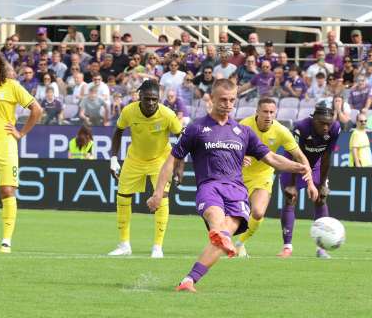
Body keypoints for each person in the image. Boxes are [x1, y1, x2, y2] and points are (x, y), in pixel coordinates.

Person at [146, 79, 311, 292]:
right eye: (223, 99)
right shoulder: (196, 128)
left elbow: (272, 158)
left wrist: (300, 167)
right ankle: (220, 234)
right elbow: (171, 160)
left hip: (237, 192)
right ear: (212, 99)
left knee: (222, 237)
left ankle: (188, 280)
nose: (228, 104)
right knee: (218, 224)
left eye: (232, 100)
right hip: (210, 186)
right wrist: (159, 193)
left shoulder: (243, 132)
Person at [234, 98, 318, 257]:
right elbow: (229, 147)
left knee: (258, 212)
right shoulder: (244, 126)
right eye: (265, 111)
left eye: (272, 112)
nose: (268, 115)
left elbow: (300, 157)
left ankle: (240, 243)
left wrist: (311, 183)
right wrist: (239, 156)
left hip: (262, 175)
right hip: (237, 174)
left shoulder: (281, 131)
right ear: (257, 112)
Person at [108, 80, 182, 259]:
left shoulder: (168, 115)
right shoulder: (129, 111)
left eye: (154, 99)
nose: (150, 103)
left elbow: (182, 138)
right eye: (147, 98)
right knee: (123, 196)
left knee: (161, 198)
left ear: (159, 99)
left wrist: (179, 167)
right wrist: (113, 158)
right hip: (134, 159)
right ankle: (124, 244)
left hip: (160, 161)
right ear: (139, 97)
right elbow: (118, 131)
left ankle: (158, 247)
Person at [0, 50, 43, 253]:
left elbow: (37, 109)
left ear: (0, 67)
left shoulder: (11, 86)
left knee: (7, 190)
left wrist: (21, 133)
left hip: (5, 146)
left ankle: (7, 241)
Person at [278, 104, 341, 259]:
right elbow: (294, 155)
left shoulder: (335, 128)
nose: (326, 127)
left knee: (321, 199)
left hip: (316, 166)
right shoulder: (301, 128)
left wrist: (322, 184)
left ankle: (322, 249)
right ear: (314, 119)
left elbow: (327, 157)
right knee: (290, 198)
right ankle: (287, 247)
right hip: (294, 165)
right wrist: (292, 184)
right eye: (322, 123)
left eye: (329, 123)